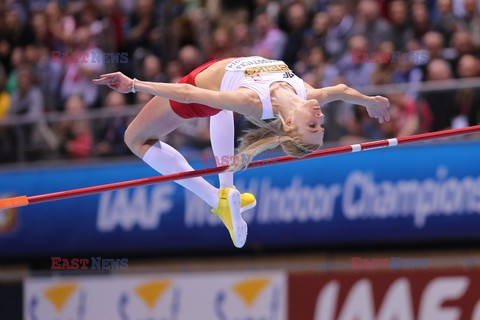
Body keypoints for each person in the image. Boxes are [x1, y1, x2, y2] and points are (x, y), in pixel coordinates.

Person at [93, 56, 390, 248]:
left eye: (312, 124)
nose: (321, 118)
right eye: (320, 125)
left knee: (135, 139)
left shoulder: (252, 101)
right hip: (220, 81)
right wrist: (369, 101)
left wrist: (133, 85)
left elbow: (186, 94)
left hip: (196, 87)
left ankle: (215, 196)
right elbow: (339, 89)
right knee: (225, 104)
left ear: (288, 123)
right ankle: (226, 192)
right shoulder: (308, 96)